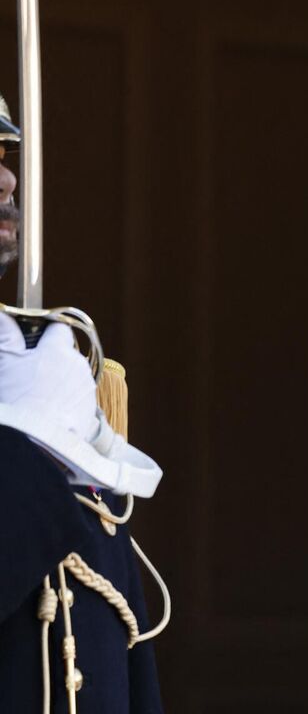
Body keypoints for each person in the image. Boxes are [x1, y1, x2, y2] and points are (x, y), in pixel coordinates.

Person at [0, 98, 167, 714]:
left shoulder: (35, 365)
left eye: (2, 155)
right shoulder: (33, 404)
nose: (7, 179)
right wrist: (28, 439)